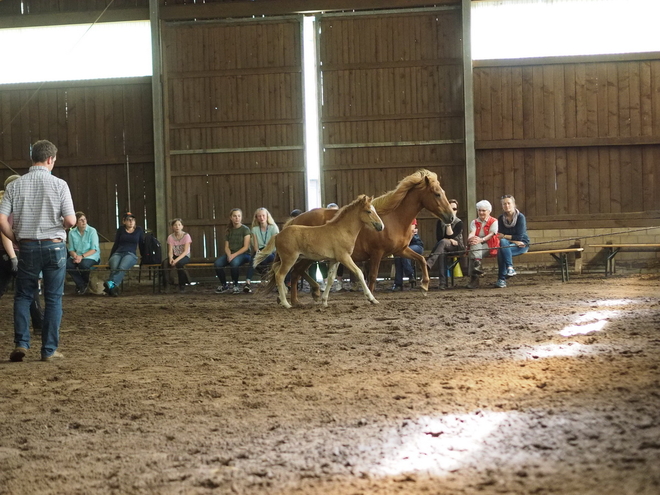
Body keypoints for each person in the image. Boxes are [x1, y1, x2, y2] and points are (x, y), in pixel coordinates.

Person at [0, 140, 76, 362]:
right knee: (53, 298)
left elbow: (2, 220)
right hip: (54, 246)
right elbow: (71, 219)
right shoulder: (60, 184)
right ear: (51, 159)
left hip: (28, 246)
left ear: (32, 158)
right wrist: (59, 227)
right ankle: (49, 350)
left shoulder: (15, 186)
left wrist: (17, 238)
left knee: (23, 295)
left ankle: (21, 343)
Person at [0, 185, 44, 332]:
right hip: (12, 254)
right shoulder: (10, 209)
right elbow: (4, 233)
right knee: (30, 289)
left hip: (5, 254)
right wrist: (13, 257)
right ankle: (39, 324)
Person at [426, 199, 465, 289]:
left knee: (443, 242)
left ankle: (429, 263)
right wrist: (449, 239)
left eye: (454, 209)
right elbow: (439, 238)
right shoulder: (440, 222)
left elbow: (453, 235)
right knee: (442, 252)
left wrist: (448, 225)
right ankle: (442, 283)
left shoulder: (459, 222)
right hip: (444, 247)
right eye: (450, 209)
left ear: (457, 210)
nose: (452, 211)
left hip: (457, 247)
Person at [104, 212, 144, 297]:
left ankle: (111, 282)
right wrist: (110, 258)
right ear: (124, 221)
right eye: (128, 220)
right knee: (114, 267)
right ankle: (113, 290)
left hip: (130, 254)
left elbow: (141, 244)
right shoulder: (121, 230)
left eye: (132, 220)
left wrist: (143, 257)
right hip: (118, 253)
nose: (131, 221)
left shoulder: (139, 230)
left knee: (122, 267)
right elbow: (116, 244)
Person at [494, 195, 530, 288]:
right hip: (510, 244)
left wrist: (508, 238)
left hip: (521, 245)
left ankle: (501, 279)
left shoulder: (520, 217)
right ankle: (510, 268)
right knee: (503, 245)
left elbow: (519, 236)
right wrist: (514, 241)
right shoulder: (501, 219)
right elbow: (500, 236)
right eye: (504, 204)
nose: (507, 206)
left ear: (514, 204)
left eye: (509, 203)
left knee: (501, 251)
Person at [214, 208, 251, 294]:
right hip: (231, 254)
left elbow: (246, 247)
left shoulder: (245, 230)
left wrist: (233, 256)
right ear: (231, 217)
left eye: (239, 216)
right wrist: (229, 254)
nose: (237, 218)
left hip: (244, 254)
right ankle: (224, 285)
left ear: (241, 217)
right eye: (234, 216)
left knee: (234, 263)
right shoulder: (228, 230)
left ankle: (236, 285)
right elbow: (226, 247)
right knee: (217, 264)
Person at [466, 200, 499, 290]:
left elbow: (492, 234)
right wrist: (470, 238)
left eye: (483, 210)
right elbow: (472, 232)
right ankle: (477, 264)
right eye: (479, 210)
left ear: (489, 211)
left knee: (473, 251)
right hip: (477, 244)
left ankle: (474, 280)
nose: (481, 212)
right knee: (473, 243)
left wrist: (482, 239)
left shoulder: (494, 221)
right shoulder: (474, 222)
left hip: (489, 244)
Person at [245, 207, 279, 293]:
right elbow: (255, 244)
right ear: (256, 218)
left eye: (263, 215)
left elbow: (274, 243)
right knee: (253, 260)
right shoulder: (255, 229)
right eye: (259, 216)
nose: (262, 218)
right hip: (260, 250)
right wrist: (257, 251)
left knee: (271, 260)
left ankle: (278, 284)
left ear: (267, 216)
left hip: (270, 250)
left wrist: (265, 252)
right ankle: (247, 283)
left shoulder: (273, 228)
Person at [66, 211, 100, 295]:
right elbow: (71, 249)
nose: (84, 222)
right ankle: (82, 284)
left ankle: (82, 284)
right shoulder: (71, 233)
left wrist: (81, 256)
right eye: (81, 220)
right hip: (77, 256)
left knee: (83, 265)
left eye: (84, 219)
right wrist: (74, 256)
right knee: (67, 265)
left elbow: (94, 249)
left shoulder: (92, 231)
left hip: (91, 256)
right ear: (76, 223)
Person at [392, 219, 424, 291]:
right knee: (398, 256)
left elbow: (411, 232)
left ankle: (409, 275)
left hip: (416, 245)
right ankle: (398, 283)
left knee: (404, 252)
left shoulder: (412, 218)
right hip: (402, 246)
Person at [163, 218, 192, 292]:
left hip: (184, 256)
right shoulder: (170, 237)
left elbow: (185, 251)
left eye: (179, 225)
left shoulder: (186, 236)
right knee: (165, 263)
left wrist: (175, 260)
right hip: (175, 255)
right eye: (175, 225)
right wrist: (171, 258)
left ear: (182, 226)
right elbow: (170, 251)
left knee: (179, 264)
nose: (177, 227)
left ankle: (182, 285)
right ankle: (167, 284)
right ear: (172, 227)